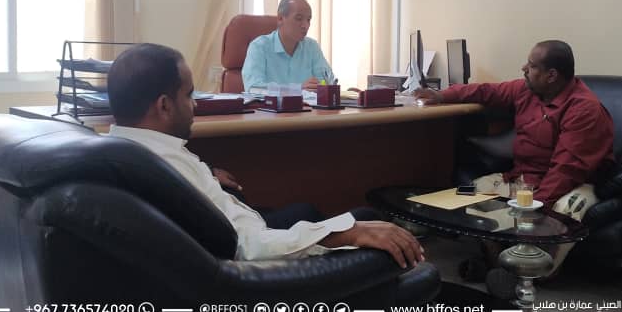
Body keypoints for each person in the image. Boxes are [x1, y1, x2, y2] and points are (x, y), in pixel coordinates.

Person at [107, 42, 423, 268]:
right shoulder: (165, 170)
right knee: (364, 219)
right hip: (255, 264)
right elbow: (248, 245)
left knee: (308, 210)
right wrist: (344, 234)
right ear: (164, 106)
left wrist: (205, 172)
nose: (196, 104)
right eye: (189, 95)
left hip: (247, 231)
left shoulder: (128, 150)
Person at [414, 40, 614, 282]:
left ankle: (537, 274)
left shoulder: (584, 109)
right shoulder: (528, 90)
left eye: (531, 65)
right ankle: (499, 262)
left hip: (573, 185)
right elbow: (486, 91)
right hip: (525, 178)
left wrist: (532, 209)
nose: (524, 68)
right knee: (468, 194)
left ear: (551, 75)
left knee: (564, 211)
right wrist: (441, 95)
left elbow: (565, 172)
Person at [242, 0, 334, 92]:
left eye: (308, 20)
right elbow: (253, 87)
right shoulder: (259, 47)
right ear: (280, 19)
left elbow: (328, 80)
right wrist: (297, 89)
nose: (305, 25)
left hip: (308, 102)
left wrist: (322, 85)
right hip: (272, 102)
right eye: (299, 19)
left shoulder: (312, 47)